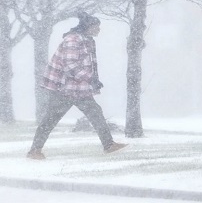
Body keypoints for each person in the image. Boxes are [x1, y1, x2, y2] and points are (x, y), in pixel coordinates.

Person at [27, 13, 128, 160]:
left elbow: (89, 64)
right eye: (96, 27)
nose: (99, 30)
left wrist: (93, 80)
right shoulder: (73, 40)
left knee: (95, 113)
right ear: (88, 27)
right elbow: (70, 66)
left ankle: (109, 145)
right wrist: (90, 79)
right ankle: (34, 151)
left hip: (79, 88)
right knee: (50, 119)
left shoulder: (87, 40)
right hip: (62, 88)